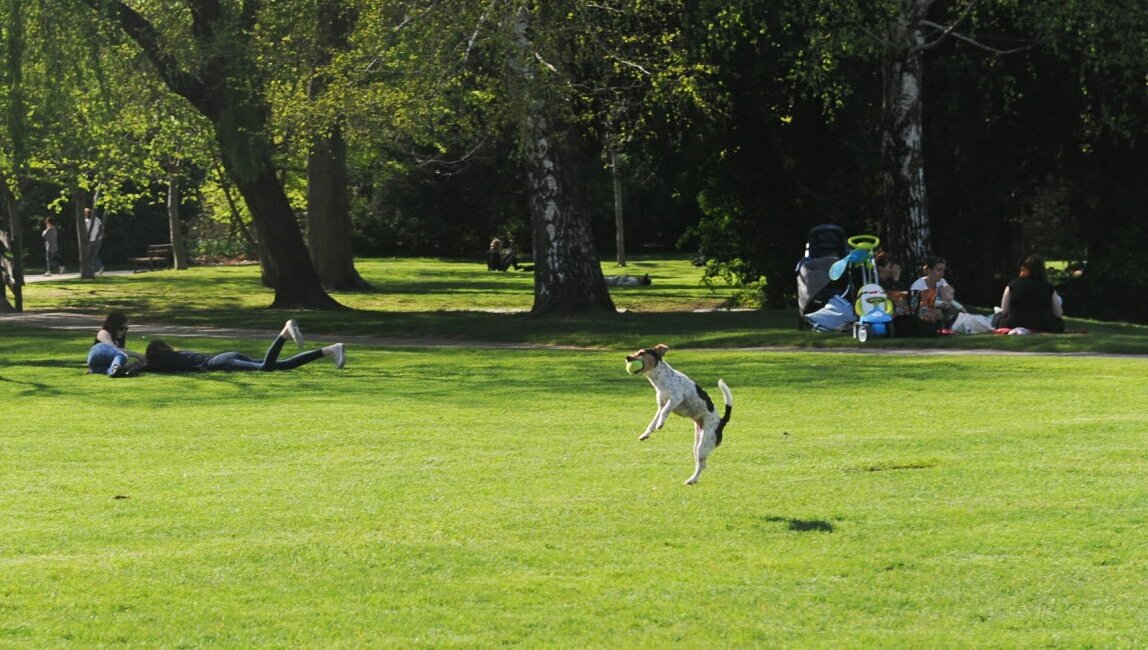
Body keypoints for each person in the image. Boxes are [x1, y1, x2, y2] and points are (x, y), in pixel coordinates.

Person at [143, 320, 346, 373]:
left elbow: (145, 367)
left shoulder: (164, 361)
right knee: (282, 366)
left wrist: (132, 366)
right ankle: (330, 349)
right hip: (226, 356)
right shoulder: (178, 355)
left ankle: (284, 333)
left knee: (264, 368)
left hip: (219, 363)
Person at [993, 255, 1065, 333]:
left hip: (1014, 322)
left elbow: (1005, 310)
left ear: (1027, 270)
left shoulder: (1012, 284)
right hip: (1044, 324)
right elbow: (1058, 313)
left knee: (997, 317)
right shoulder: (1048, 287)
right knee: (1059, 322)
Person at [910, 256, 965, 328]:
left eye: (943, 271)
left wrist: (962, 309)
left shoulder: (942, 282)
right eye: (939, 270)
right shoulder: (918, 285)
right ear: (929, 270)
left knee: (952, 309)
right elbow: (914, 305)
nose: (942, 273)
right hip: (922, 312)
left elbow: (949, 299)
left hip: (940, 310)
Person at [87, 311, 145, 377]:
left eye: (126, 329)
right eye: (121, 328)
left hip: (101, 365)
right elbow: (113, 349)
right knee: (122, 355)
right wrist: (137, 355)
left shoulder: (118, 340)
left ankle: (115, 371)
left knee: (117, 365)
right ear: (114, 326)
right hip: (97, 354)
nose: (123, 331)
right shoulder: (103, 333)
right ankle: (116, 369)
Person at [83, 208, 104, 275]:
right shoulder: (97, 219)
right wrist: (98, 236)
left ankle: (98, 267)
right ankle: (95, 269)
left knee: (90, 255)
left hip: (90, 240)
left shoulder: (85, 221)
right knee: (94, 255)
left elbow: (85, 231)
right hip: (98, 239)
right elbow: (101, 228)